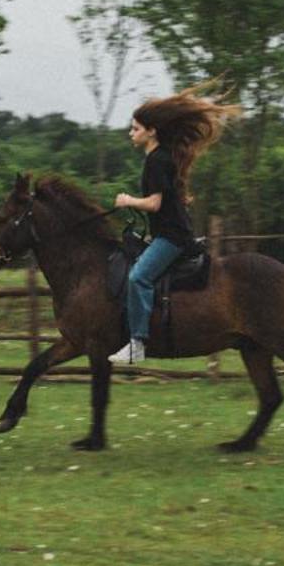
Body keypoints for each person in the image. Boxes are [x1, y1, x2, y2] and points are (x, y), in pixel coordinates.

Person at [109, 83, 241, 365]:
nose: (131, 133)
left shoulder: (156, 161)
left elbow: (155, 203)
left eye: (135, 128)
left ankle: (138, 343)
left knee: (138, 277)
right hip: (169, 233)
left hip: (171, 238)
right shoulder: (162, 157)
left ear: (151, 131)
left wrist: (128, 200)